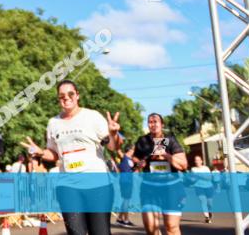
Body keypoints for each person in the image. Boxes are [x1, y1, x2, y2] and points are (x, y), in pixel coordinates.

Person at [22, 80, 122, 235]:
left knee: (100, 232)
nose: (66, 98)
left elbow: (113, 147)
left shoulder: (92, 116)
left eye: (70, 94)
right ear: (58, 99)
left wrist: (114, 134)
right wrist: (40, 152)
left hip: (97, 184)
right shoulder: (53, 123)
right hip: (68, 186)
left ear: (77, 96)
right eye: (61, 95)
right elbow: (54, 153)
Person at [133, 113, 188, 235]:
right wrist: (139, 164)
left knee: (171, 227)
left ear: (162, 124)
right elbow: (135, 160)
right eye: (150, 122)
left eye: (155, 121)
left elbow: (183, 165)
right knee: (151, 228)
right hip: (149, 188)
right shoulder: (143, 141)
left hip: (171, 187)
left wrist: (166, 155)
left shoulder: (171, 140)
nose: (152, 124)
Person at [190, 155, 214, 223]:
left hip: (208, 186)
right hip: (199, 187)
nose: (197, 161)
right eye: (196, 160)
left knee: (210, 203)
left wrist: (198, 175)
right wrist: (192, 179)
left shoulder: (206, 168)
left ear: (201, 161)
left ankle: (210, 212)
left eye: (198, 160)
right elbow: (193, 179)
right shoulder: (193, 169)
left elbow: (209, 178)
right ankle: (206, 217)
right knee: (203, 201)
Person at [117, 145, 136, 227]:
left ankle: (119, 219)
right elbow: (117, 149)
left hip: (129, 181)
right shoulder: (124, 157)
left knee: (126, 199)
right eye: (134, 149)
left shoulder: (131, 160)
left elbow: (132, 169)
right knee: (126, 200)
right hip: (125, 181)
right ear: (130, 150)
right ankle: (126, 220)